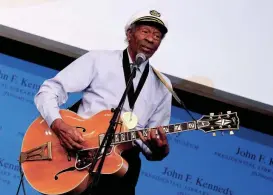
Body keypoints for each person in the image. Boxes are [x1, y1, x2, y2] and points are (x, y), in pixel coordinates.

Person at [34, 9, 172, 195]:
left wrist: (160, 150)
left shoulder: (163, 85)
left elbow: (153, 147)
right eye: (145, 31)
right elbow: (49, 90)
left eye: (157, 35)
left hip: (121, 169)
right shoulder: (99, 60)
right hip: (76, 152)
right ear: (129, 33)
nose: (151, 39)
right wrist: (58, 124)